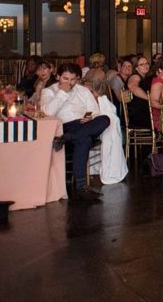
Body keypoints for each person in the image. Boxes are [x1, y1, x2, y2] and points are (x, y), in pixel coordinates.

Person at [40, 63, 110, 202]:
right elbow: (47, 113)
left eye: (73, 79)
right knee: (85, 140)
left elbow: (95, 110)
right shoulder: (48, 91)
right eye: (65, 79)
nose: (69, 83)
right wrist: (62, 93)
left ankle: (68, 138)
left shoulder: (83, 90)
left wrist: (91, 116)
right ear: (58, 76)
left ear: (77, 78)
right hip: (64, 127)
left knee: (105, 119)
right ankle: (81, 187)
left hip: (84, 124)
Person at [125, 55, 153, 129]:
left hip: (141, 111)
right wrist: (149, 98)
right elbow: (132, 87)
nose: (145, 66)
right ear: (136, 68)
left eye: (146, 63)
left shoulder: (145, 77)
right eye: (141, 64)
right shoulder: (135, 76)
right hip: (138, 115)